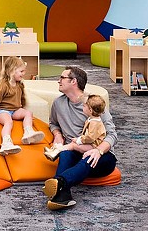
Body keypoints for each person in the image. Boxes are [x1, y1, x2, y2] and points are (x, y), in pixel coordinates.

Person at [43, 66, 117, 210]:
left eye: (62, 78)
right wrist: (57, 134)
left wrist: (99, 151)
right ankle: (62, 196)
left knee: (89, 157)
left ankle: (60, 182)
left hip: (101, 156)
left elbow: (112, 134)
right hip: (75, 151)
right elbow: (53, 123)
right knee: (65, 153)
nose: (58, 81)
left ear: (73, 82)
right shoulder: (58, 104)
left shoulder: (93, 104)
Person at [0, 56, 44, 155]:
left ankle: (28, 132)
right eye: (21, 71)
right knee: (8, 122)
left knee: (28, 113)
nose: (23, 74)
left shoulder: (19, 84)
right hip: (2, 111)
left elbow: (22, 98)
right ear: (12, 71)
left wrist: (23, 110)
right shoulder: (2, 85)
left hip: (15, 110)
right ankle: (6, 143)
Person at [44, 93, 106, 160]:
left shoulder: (94, 123)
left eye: (84, 106)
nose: (83, 107)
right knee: (73, 143)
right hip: (90, 143)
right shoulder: (92, 119)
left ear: (90, 110)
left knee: (73, 145)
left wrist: (79, 140)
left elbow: (90, 137)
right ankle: (55, 150)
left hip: (93, 146)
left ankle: (57, 151)